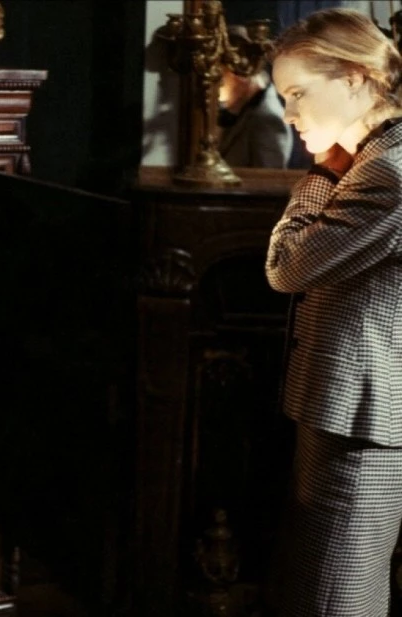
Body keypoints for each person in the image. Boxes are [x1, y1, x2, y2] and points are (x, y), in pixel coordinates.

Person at [265, 7, 402, 616]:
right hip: (346, 413)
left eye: (297, 93)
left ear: (353, 77)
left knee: (336, 602)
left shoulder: (387, 173)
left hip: (363, 424)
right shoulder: (377, 160)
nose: (288, 114)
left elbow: (286, 267)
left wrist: (320, 175)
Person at [217, 26, 294, 169]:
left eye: (221, 77)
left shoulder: (268, 119)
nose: (217, 86)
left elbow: (268, 178)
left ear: (239, 76)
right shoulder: (241, 109)